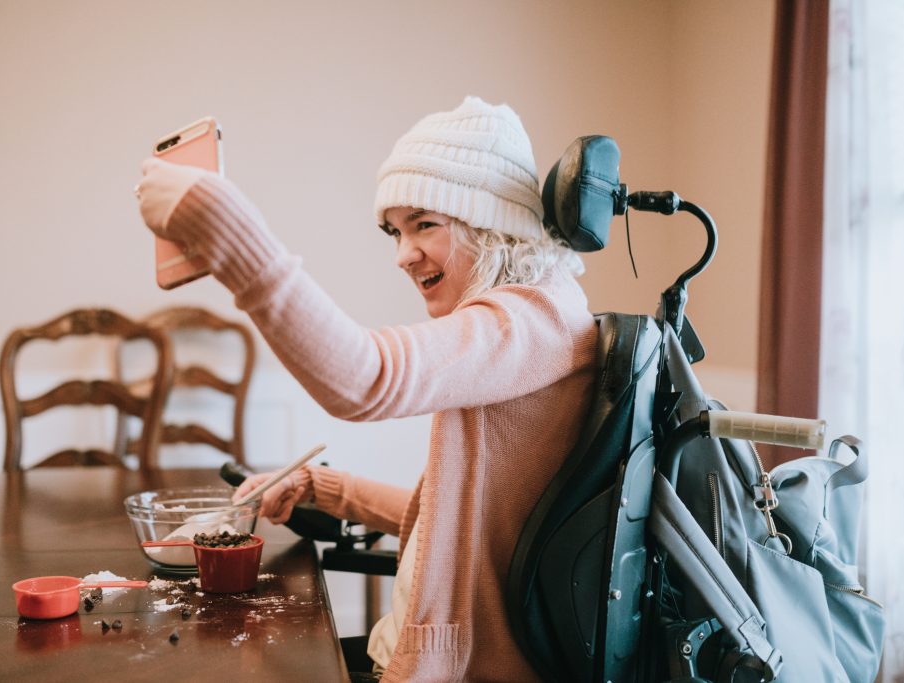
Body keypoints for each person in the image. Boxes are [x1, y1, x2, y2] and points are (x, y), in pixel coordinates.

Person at [136, 96, 598, 682]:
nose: (403, 255)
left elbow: (367, 379)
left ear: (491, 221)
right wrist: (326, 490)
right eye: (394, 231)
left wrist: (220, 222)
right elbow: (454, 525)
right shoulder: (537, 324)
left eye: (424, 224)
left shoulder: (530, 321)